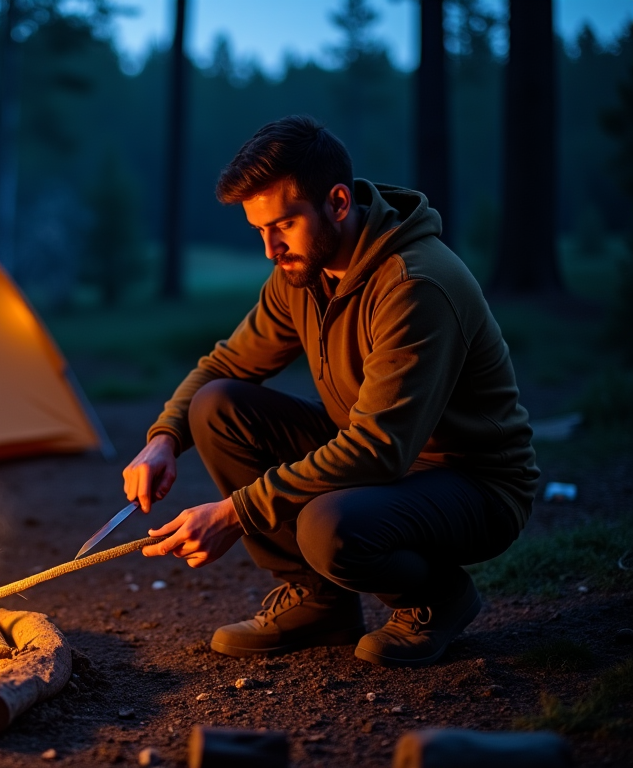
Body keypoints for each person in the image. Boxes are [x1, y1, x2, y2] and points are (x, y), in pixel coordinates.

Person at [122, 115, 539, 668]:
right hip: (385, 459)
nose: (270, 249)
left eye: (284, 225)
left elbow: (378, 449)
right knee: (215, 406)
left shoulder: (415, 284)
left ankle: (438, 599)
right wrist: (164, 438)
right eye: (259, 231)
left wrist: (235, 512)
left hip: (473, 483)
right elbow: (228, 363)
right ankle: (320, 605)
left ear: (338, 203)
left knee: (328, 529)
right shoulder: (304, 272)